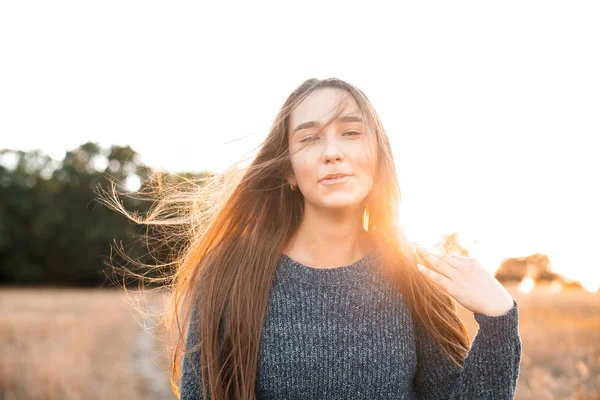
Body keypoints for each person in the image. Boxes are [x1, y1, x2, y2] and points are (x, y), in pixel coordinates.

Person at [105, 77, 522, 399]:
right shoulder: (231, 277)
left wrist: (500, 318)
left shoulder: (411, 277)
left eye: (351, 132)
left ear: (378, 153)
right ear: (287, 169)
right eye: (309, 138)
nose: (331, 151)